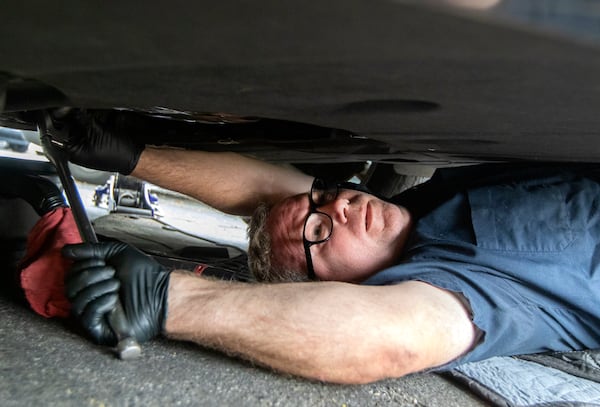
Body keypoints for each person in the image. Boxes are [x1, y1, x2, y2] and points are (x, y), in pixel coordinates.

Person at [51, 110, 600, 384]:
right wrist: (169, 298)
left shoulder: (414, 214)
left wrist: (126, 153)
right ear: (339, 289)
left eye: (328, 197)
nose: (338, 208)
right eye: (319, 233)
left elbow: (269, 193)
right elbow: (392, 340)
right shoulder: (465, 288)